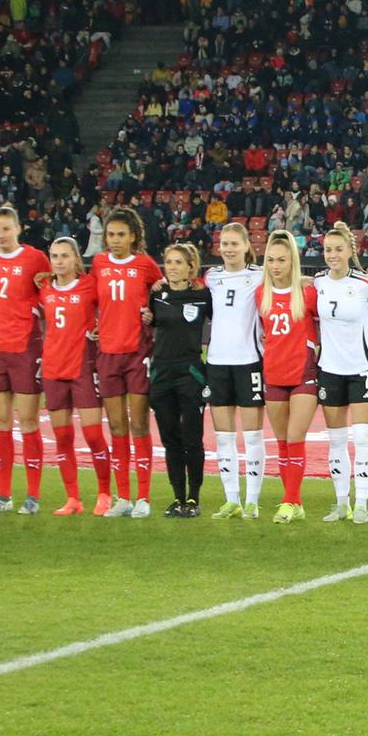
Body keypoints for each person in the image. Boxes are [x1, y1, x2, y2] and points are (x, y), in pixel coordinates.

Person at [0, 205, 51, 515]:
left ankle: (32, 495)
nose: (0, 234)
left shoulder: (36, 258)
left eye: (6, 228)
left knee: (29, 421)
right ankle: (2, 495)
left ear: (18, 229)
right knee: (0, 422)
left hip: (24, 347)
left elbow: (49, 294)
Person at [92, 207, 161, 518]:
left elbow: (162, 296)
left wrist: (152, 316)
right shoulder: (99, 263)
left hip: (137, 353)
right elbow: (90, 300)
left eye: (121, 234)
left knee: (139, 424)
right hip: (107, 353)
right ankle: (123, 498)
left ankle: (144, 496)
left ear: (134, 236)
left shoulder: (146, 266)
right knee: (117, 426)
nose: (115, 240)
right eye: (111, 235)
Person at [313, 222, 368, 523]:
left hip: (362, 368)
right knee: (337, 440)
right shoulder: (317, 283)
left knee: (362, 437)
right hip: (330, 369)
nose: (332, 255)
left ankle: (362, 503)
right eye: (328, 250)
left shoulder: (366, 285)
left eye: (338, 249)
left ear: (351, 251)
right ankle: (342, 502)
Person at [38, 237, 109, 515]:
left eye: (64, 256)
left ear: (76, 259)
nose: (58, 261)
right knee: (63, 437)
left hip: (82, 367)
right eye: (54, 256)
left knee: (93, 436)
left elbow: (110, 308)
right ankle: (73, 499)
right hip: (54, 369)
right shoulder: (44, 288)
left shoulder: (90, 285)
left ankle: (104, 492)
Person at [204, 223, 268, 520]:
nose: (228, 249)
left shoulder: (258, 277)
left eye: (233, 243)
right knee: (224, 436)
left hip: (249, 361)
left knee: (253, 435)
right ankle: (232, 499)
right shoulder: (211, 278)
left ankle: (253, 500)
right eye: (224, 243)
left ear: (246, 246)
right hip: (217, 362)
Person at [258, 230, 321, 523]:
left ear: (292, 261)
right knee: (282, 441)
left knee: (296, 437)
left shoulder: (308, 293)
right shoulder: (261, 294)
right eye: (271, 260)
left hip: (303, 374)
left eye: (281, 260)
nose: (275, 265)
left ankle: (289, 500)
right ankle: (294, 503)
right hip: (273, 373)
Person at [146, 243, 210, 518]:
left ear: (190, 267)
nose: (171, 267)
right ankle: (177, 497)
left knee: (192, 438)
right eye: (168, 262)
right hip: (161, 373)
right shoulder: (157, 295)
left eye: (178, 262)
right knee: (170, 439)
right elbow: (150, 321)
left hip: (191, 374)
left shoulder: (203, 296)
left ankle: (194, 499)